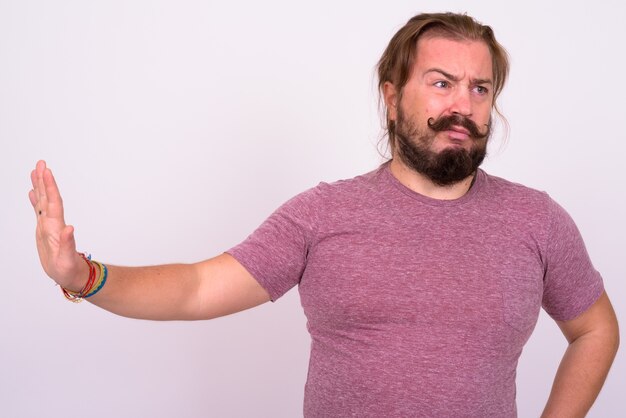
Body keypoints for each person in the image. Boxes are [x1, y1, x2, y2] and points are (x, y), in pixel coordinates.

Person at [30, 12, 618, 417]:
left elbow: (595, 329)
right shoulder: (323, 214)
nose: (462, 105)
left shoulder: (537, 221)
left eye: (480, 89)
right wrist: (82, 275)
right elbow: (195, 288)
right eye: (441, 83)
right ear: (393, 98)